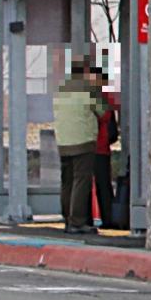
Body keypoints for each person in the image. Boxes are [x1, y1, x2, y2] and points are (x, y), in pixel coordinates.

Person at [54, 58, 108, 235]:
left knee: (67, 181)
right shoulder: (88, 90)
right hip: (83, 141)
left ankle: (67, 218)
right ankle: (77, 222)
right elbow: (103, 110)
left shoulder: (61, 90)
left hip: (63, 142)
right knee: (81, 180)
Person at [93, 81, 121, 228]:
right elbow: (105, 114)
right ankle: (108, 218)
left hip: (90, 143)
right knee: (103, 184)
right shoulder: (103, 91)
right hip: (100, 145)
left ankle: (81, 219)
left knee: (81, 183)